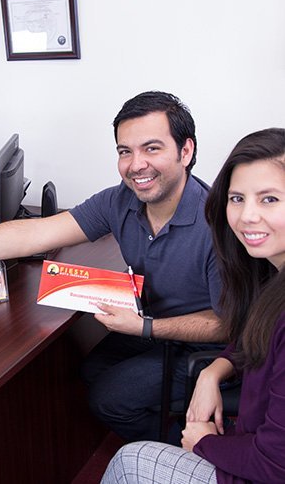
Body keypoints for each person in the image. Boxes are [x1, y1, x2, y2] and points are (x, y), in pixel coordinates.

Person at [0, 91, 225, 442]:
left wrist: (146, 327)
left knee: (107, 400)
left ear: (185, 151)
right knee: (91, 369)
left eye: (152, 148)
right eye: (125, 151)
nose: (136, 165)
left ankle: (201, 453)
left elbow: (230, 326)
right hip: (154, 327)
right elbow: (36, 233)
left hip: (209, 350)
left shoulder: (218, 225)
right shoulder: (120, 200)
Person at [101, 127, 285, 483]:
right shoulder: (267, 277)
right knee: (97, 373)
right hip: (248, 437)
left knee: (128, 458)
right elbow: (254, 337)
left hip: (260, 469)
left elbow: (275, 464)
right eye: (237, 198)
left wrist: (203, 443)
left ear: (185, 152)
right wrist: (214, 371)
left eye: (269, 199)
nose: (247, 216)